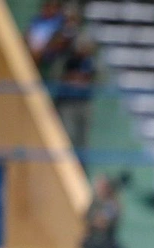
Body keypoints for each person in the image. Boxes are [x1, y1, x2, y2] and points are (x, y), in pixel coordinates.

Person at [55, 32, 97, 163]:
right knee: (67, 136)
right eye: (82, 46)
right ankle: (66, 165)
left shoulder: (91, 62)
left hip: (84, 104)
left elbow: (95, 81)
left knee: (82, 141)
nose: (84, 49)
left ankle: (81, 168)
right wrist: (73, 79)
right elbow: (59, 77)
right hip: (68, 103)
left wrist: (80, 80)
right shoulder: (68, 60)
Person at [81, 175, 122, 248]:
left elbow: (106, 221)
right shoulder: (95, 202)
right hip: (93, 241)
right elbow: (87, 217)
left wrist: (99, 220)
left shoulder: (112, 203)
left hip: (107, 242)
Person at [26, 1, 65, 74]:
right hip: (32, 49)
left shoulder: (59, 22)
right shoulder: (36, 20)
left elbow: (57, 40)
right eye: (47, 7)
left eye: (52, 8)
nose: (48, 10)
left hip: (47, 52)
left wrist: (42, 50)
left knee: (34, 57)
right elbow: (27, 34)